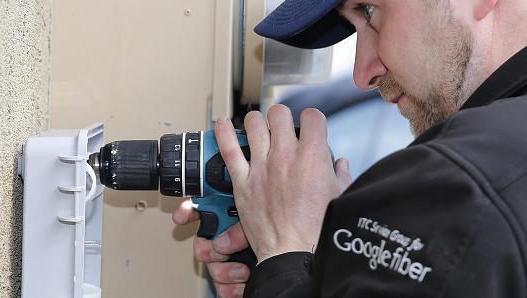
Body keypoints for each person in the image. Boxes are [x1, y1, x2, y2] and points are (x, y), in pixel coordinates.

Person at [173, 0, 527, 297]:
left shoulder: (459, 188)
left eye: (370, 10)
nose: (362, 73)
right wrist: (339, 253)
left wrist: (286, 254)